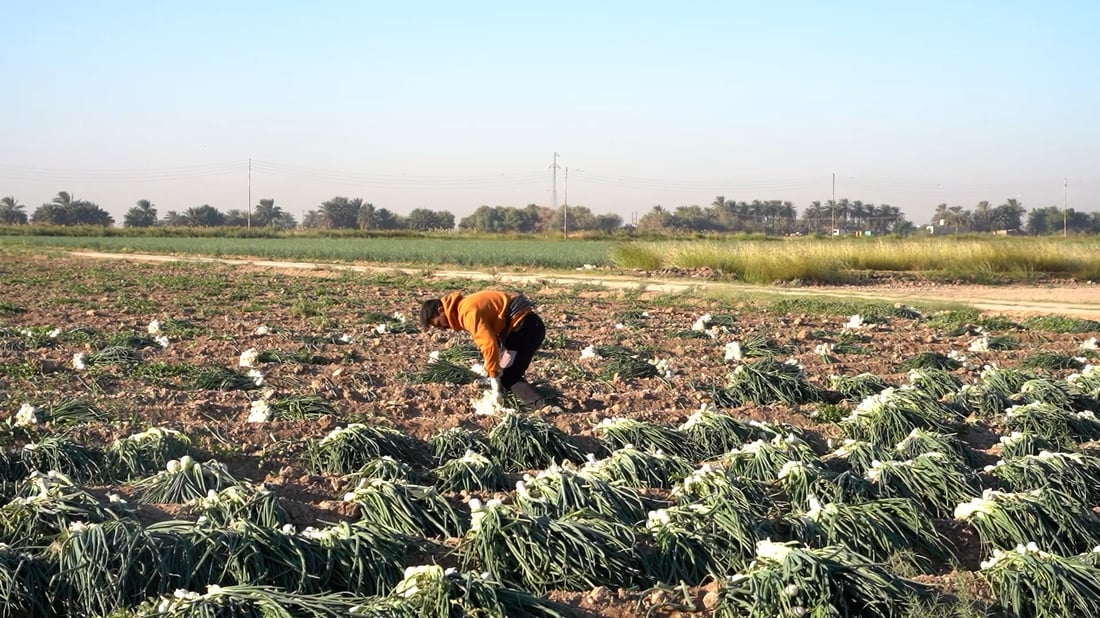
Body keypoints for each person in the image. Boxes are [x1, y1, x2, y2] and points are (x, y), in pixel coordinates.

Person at [419, 289, 552, 410]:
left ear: (441, 310)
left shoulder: (466, 312)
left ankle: (543, 406)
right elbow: (494, 337)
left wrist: (494, 377)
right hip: (524, 327)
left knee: (509, 375)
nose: (442, 328)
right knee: (505, 371)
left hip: (525, 328)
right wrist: (490, 368)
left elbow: (488, 343)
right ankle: (533, 401)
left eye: (438, 323)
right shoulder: (463, 307)